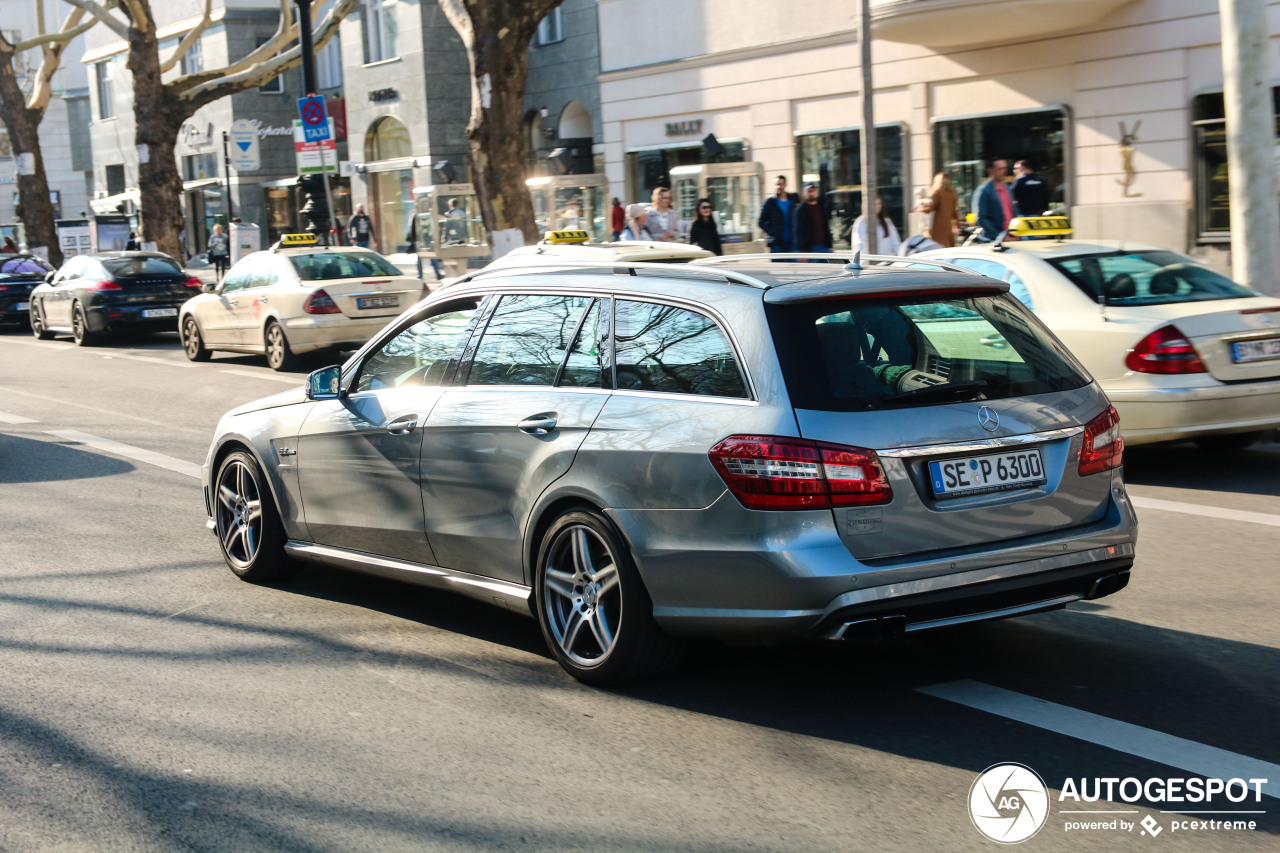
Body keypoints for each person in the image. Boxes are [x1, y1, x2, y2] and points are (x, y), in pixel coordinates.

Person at [973, 158, 1015, 241]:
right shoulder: (984, 190)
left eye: (1005, 168)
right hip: (995, 240)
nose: (1004, 171)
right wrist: (999, 236)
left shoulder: (1007, 188)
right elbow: (982, 218)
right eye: (1000, 169)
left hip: (1012, 236)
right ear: (991, 171)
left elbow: (1013, 211)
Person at [757, 175, 799, 256]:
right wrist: (772, 232)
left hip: (792, 242)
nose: (779, 186)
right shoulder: (770, 202)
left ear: (785, 185)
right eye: (777, 184)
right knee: (778, 267)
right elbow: (760, 222)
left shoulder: (793, 200)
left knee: (793, 267)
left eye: (781, 184)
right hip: (776, 243)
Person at [917, 172, 960, 248]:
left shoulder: (936, 193)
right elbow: (954, 213)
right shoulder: (952, 194)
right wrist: (956, 226)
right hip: (948, 229)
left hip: (937, 228)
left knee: (937, 251)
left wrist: (920, 207)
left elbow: (929, 207)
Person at [791, 183, 832, 256]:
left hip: (824, 247)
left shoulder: (822, 208)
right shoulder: (800, 210)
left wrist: (830, 246)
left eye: (812, 190)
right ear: (804, 193)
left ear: (816, 192)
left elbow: (826, 228)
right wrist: (802, 251)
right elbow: (798, 232)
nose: (811, 193)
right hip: (810, 249)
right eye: (808, 191)